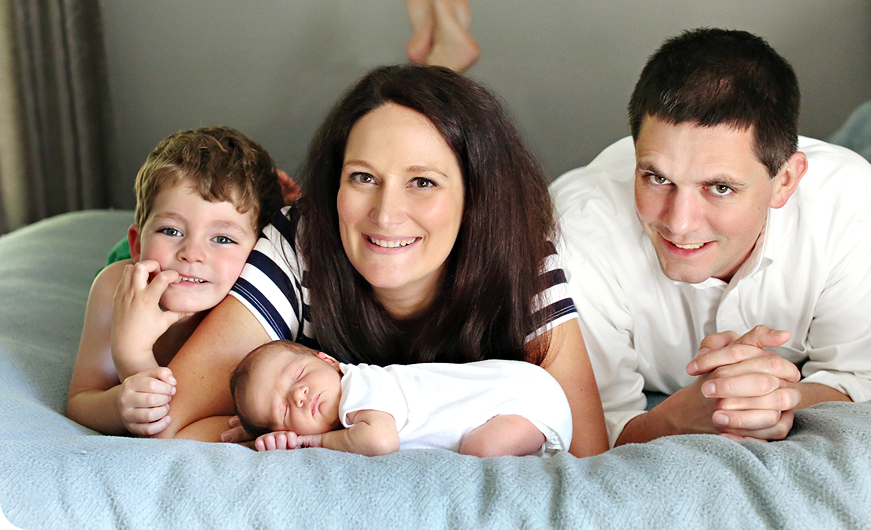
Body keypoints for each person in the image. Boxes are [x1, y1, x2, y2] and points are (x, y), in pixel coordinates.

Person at [156, 64, 609, 457]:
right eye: (363, 177)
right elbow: (174, 425)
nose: (386, 214)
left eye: (423, 182)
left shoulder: (518, 255)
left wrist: (334, 431)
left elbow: (585, 451)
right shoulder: (301, 244)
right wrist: (288, 435)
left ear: (477, 198)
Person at [552, 28, 871, 447]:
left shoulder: (848, 204)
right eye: (656, 178)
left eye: (720, 188)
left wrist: (780, 401)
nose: (681, 223)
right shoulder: (574, 232)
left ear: (785, 182)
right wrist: (679, 419)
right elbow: (587, 436)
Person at [65, 127, 284, 436]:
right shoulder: (113, 289)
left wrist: (134, 359)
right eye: (171, 230)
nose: (192, 254)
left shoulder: (248, 314)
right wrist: (118, 406)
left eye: (222, 238)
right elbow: (80, 400)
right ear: (138, 244)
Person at [229, 340, 573, 457]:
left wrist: (310, 440)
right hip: (524, 392)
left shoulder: (358, 388)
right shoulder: (355, 393)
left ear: (328, 360)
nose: (300, 396)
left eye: (299, 376)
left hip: (527, 398)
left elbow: (379, 442)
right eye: (285, 408)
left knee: (479, 452)